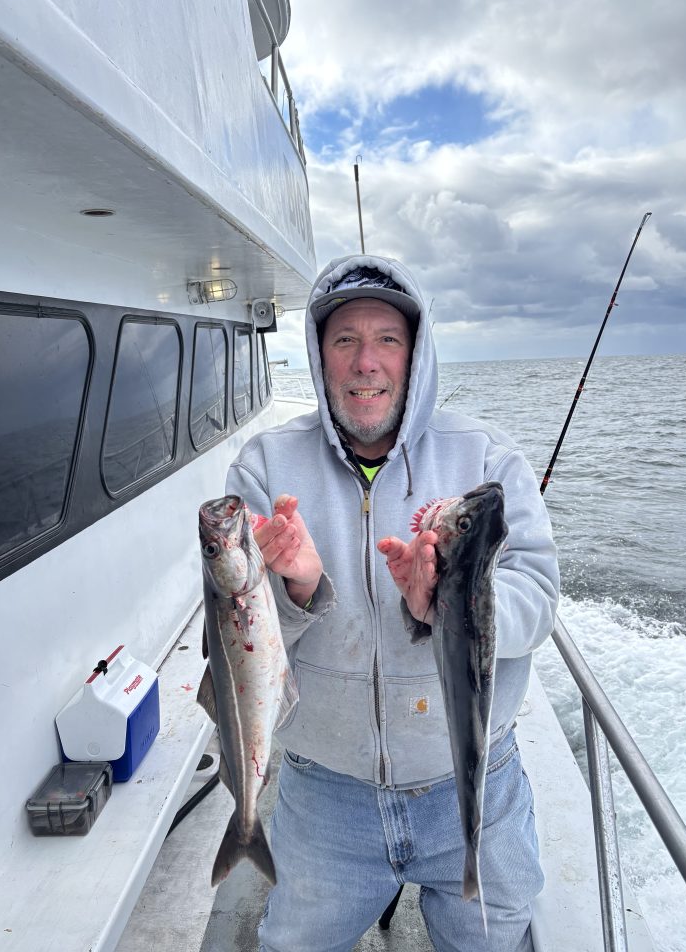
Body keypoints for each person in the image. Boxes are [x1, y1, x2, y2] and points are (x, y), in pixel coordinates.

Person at [226, 254, 559, 952]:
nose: (365, 362)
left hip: (475, 784)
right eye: (345, 340)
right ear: (319, 358)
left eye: (387, 340)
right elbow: (240, 635)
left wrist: (453, 600)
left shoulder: (488, 459)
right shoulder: (263, 468)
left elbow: (538, 596)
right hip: (324, 799)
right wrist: (298, 588)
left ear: (417, 353)